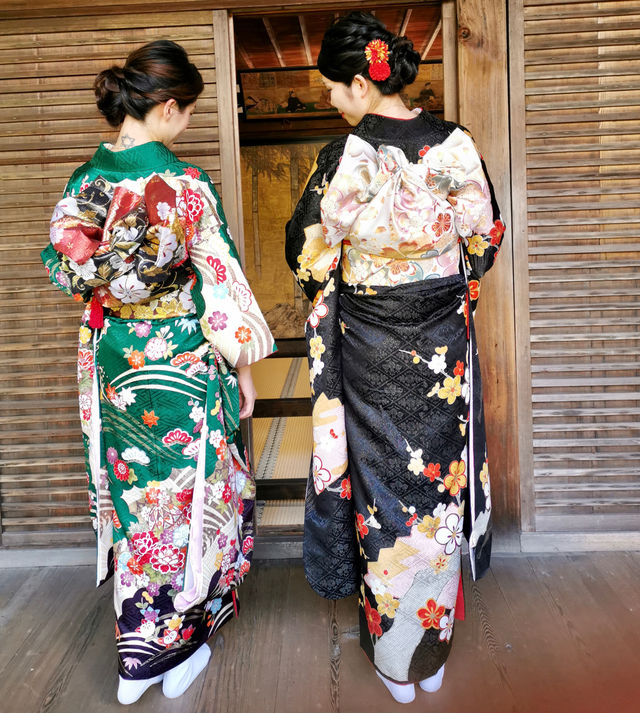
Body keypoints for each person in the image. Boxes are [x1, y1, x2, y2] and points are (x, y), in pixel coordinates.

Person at [41, 40, 275, 704]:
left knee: (138, 500)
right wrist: (246, 372)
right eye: (190, 112)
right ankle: (180, 647)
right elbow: (221, 283)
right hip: (181, 364)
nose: (189, 125)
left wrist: (114, 294)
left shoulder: (84, 182)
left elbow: (70, 270)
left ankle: (137, 652)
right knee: (191, 495)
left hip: (114, 362)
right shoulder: (184, 185)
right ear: (168, 107)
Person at [286, 12, 504, 704]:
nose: (329, 101)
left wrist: (357, 277)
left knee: (386, 495)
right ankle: (429, 651)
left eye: (332, 89)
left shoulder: (347, 156)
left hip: (371, 348)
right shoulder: (456, 145)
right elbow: (485, 239)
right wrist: (437, 285)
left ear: (360, 81)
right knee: (436, 490)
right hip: (441, 344)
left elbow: (308, 252)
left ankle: (394, 653)